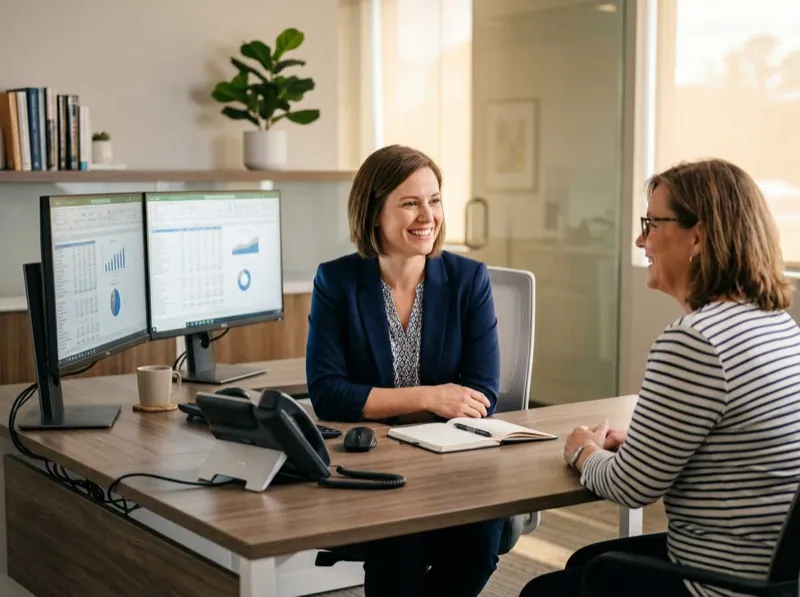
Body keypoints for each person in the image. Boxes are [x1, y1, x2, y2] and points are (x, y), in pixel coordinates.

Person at [520, 158, 800, 597]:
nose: (639, 239)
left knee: (544, 591)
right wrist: (643, 442)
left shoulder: (696, 341)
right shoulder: (776, 324)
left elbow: (630, 487)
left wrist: (582, 450)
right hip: (773, 577)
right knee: (585, 562)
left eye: (651, 223)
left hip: (717, 583)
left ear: (698, 237)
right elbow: (734, 447)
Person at [306, 144, 504, 597]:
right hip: (377, 463)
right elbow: (328, 393)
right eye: (410, 203)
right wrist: (430, 396)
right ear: (374, 212)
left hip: (452, 458)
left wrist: (417, 402)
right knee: (400, 547)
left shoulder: (468, 279)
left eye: (434, 200)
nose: (427, 216)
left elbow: (481, 392)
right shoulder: (336, 281)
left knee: (479, 542)